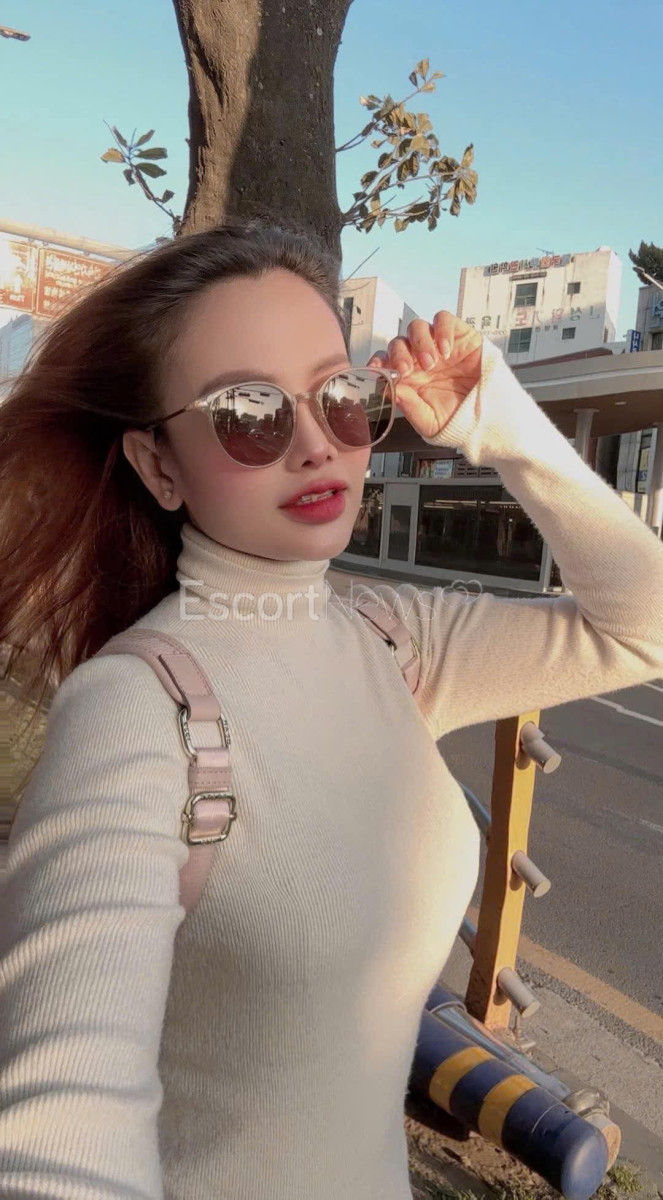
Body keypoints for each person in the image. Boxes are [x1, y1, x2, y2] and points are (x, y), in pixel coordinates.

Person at [1, 220, 662, 1200]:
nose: (316, 445)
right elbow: (61, 1124)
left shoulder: (390, 639)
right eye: (249, 412)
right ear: (159, 465)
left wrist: (501, 424)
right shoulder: (135, 710)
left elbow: (643, 624)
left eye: (340, 397)